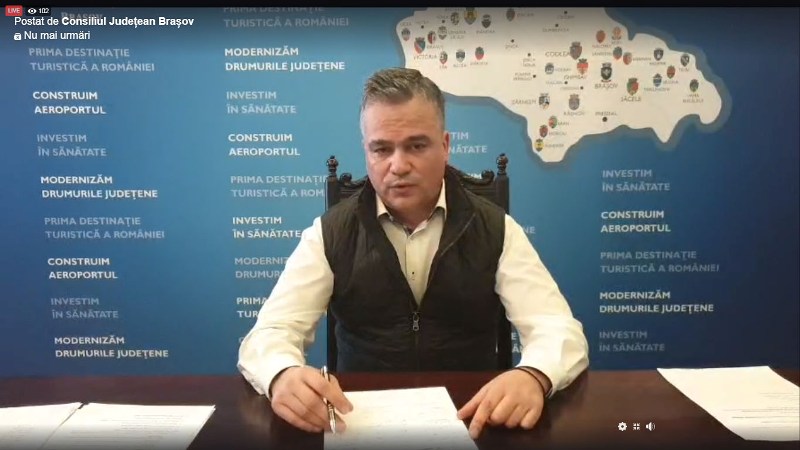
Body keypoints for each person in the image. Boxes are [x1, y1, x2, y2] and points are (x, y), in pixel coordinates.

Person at [237, 67, 589, 439]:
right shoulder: (329, 233)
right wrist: (281, 374)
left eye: (417, 146)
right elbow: (270, 333)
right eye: (381, 149)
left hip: (473, 419)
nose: (399, 166)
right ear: (366, 152)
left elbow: (557, 329)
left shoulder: (497, 228)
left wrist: (533, 375)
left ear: (446, 146)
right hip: (360, 425)